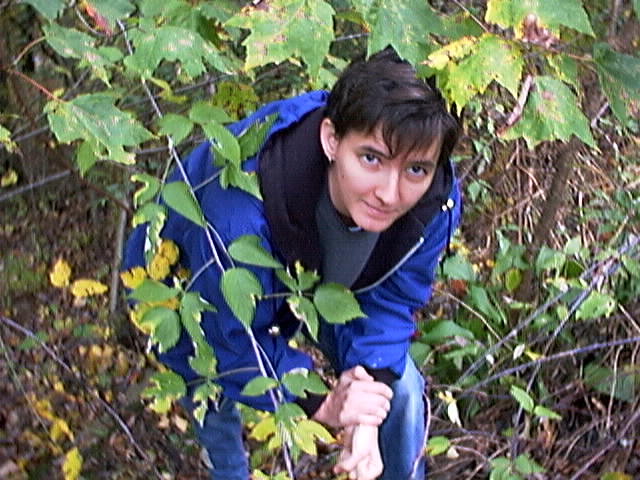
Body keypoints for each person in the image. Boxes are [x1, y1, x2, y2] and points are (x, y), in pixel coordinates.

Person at [123, 47, 462, 480]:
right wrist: (321, 402)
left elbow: (392, 297)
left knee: (401, 391)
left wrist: (364, 404)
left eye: (415, 169)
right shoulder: (238, 218)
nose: (390, 194)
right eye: (371, 159)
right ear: (331, 141)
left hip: (318, 277)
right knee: (212, 398)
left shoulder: (432, 204)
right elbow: (230, 339)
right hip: (191, 288)